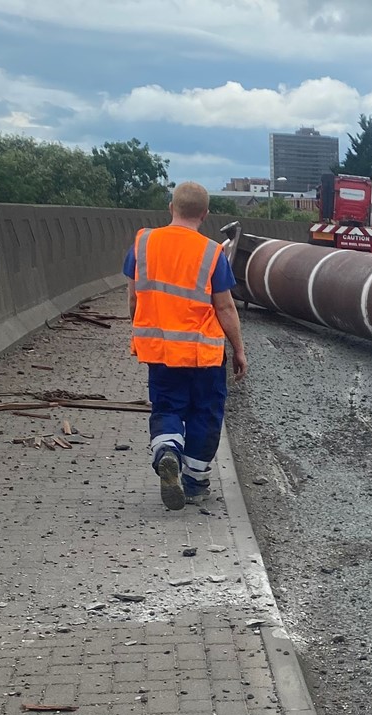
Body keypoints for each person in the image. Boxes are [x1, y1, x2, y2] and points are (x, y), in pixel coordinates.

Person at [124, 181, 248, 510]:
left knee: (167, 407)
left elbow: (134, 296)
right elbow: (224, 307)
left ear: (171, 207)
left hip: (161, 351)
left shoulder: (144, 242)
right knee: (204, 413)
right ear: (205, 214)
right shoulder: (211, 252)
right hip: (203, 354)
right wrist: (238, 349)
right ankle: (195, 482)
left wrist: (135, 325)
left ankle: (167, 452)